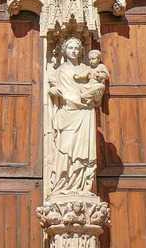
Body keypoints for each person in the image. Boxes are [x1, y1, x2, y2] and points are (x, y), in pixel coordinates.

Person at [48, 37, 103, 195]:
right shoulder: (59, 71)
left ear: (81, 51)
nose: (73, 51)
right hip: (66, 111)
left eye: (76, 48)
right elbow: (53, 90)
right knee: (65, 147)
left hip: (84, 111)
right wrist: (52, 91)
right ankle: (63, 183)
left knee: (83, 150)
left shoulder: (86, 69)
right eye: (70, 48)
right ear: (64, 50)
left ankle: (82, 185)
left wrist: (94, 92)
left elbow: (96, 90)